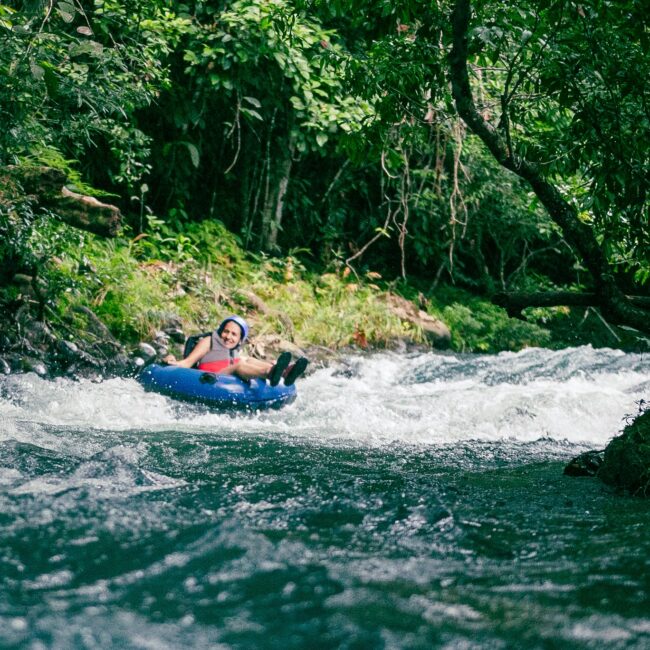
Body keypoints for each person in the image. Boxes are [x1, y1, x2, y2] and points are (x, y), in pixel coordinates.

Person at [163, 315, 308, 386]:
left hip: (227, 376)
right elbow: (188, 363)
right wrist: (172, 362)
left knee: (246, 359)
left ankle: (283, 372)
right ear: (220, 332)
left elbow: (242, 361)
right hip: (210, 378)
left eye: (234, 334)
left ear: (240, 340)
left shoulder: (234, 351)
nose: (228, 337)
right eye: (226, 332)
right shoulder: (208, 342)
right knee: (239, 364)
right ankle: (269, 373)